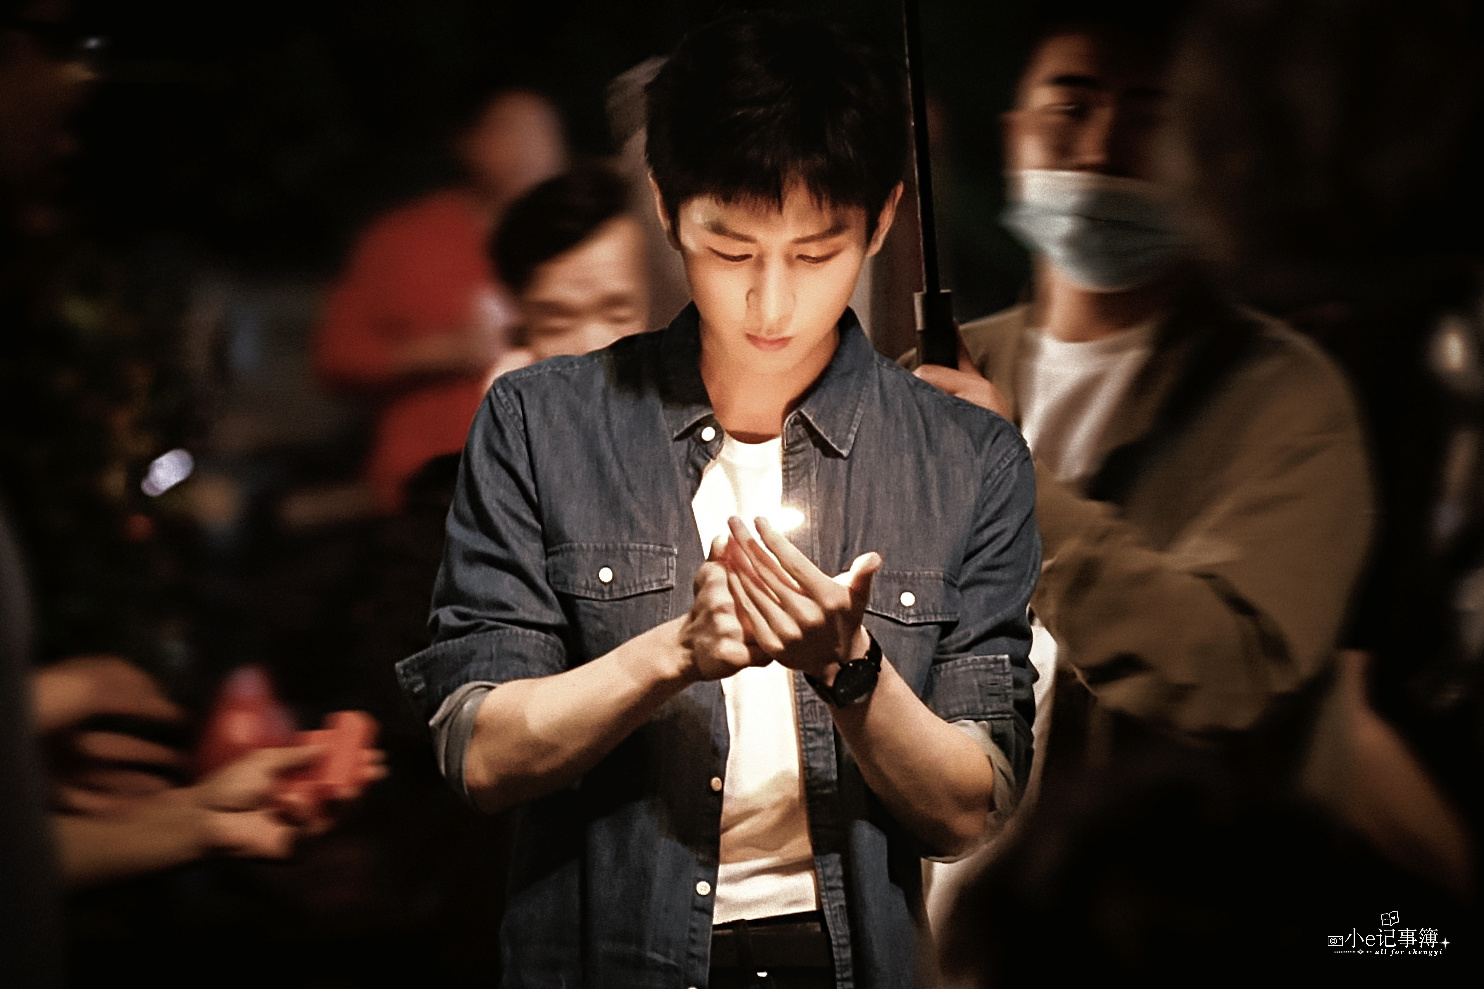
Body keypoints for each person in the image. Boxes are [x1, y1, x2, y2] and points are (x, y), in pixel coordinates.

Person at [395, 12, 1038, 988]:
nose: (771, 304)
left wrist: (850, 669)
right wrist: (673, 654)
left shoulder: (968, 456)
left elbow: (970, 806)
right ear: (665, 207)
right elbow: (477, 752)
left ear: (880, 221)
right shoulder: (537, 423)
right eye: (731, 250)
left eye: (815, 254)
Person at [912, 4, 1372, 820]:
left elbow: (1229, 673)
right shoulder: (935, 373)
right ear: (1015, 134)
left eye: (1149, 117)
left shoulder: (1285, 398)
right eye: (1071, 105)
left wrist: (1010, 487)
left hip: (1135, 887)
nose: (1099, 146)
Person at [315, 88, 566, 514]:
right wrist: (440, 351)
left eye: (543, 134)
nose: (530, 150)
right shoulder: (404, 239)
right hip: (427, 492)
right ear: (469, 143)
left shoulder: (593, 244)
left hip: (556, 487)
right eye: (512, 132)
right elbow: (336, 354)